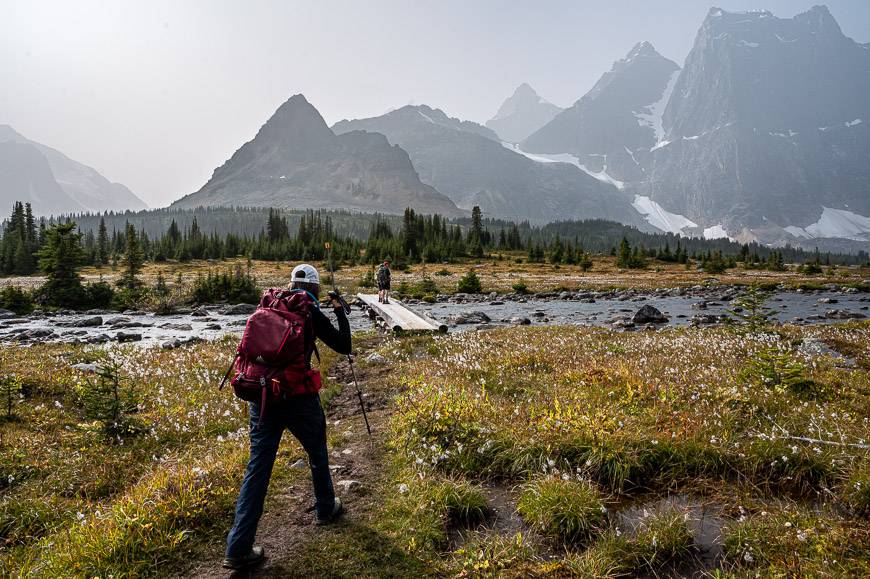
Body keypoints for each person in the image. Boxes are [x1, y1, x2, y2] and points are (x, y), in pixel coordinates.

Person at [223, 263, 351, 570]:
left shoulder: (269, 303)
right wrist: (339, 310)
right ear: (316, 289)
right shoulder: (309, 310)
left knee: (258, 466)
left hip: (263, 395)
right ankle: (324, 508)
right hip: (297, 396)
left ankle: (238, 547)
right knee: (317, 451)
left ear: (291, 284)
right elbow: (344, 346)